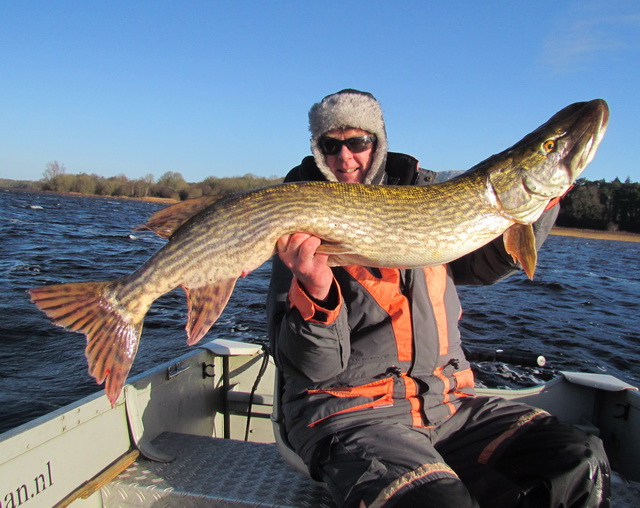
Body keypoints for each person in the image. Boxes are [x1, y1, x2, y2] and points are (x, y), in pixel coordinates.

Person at [266, 89, 610, 508]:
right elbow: (309, 369)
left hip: (447, 404)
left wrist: (538, 210)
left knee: (577, 462)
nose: (345, 157)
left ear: (377, 144)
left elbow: (485, 266)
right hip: (347, 414)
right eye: (330, 145)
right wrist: (315, 290)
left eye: (357, 142)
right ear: (318, 152)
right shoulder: (301, 227)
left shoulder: (428, 196)